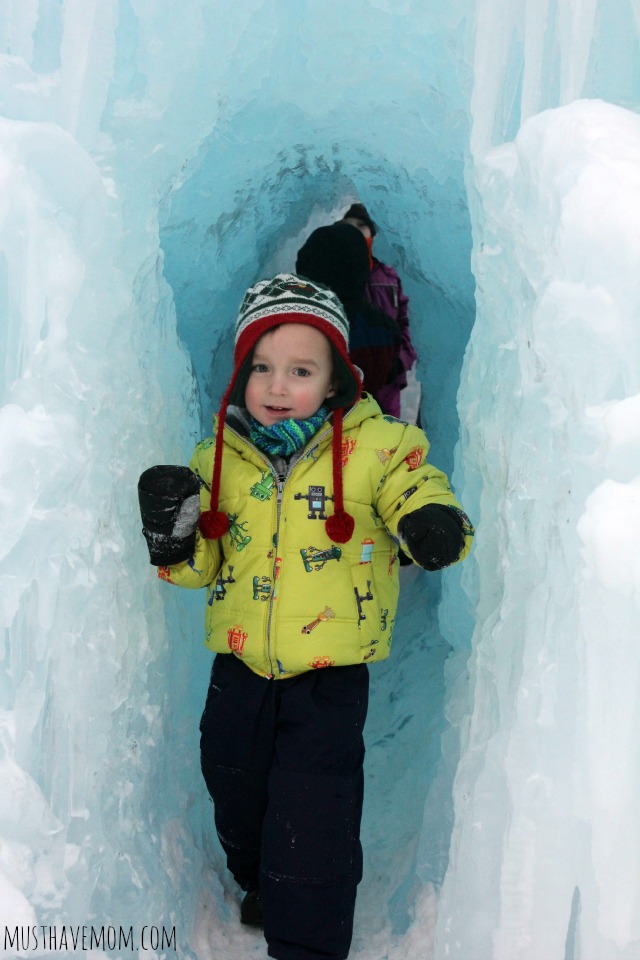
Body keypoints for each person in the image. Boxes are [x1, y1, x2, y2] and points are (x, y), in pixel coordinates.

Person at [137, 274, 474, 960]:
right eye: (260, 367)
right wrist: (172, 539)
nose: (276, 384)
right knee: (231, 779)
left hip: (329, 675)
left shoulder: (378, 448)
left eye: (299, 370)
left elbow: (415, 483)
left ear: (336, 380)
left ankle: (308, 942)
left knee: (312, 814)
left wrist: (429, 520)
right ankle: (258, 878)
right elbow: (201, 565)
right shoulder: (219, 456)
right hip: (238, 663)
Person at [295, 221, 402, 410]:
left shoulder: (297, 324)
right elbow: (390, 372)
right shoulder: (382, 325)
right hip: (364, 423)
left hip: (307, 427)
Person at [341, 202, 418, 420]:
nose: (355, 231)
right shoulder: (338, 275)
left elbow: (408, 321)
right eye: (348, 226)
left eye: (360, 225)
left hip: (388, 377)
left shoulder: (391, 276)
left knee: (386, 439)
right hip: (351, 375)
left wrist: (400, 360)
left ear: (373, 233)